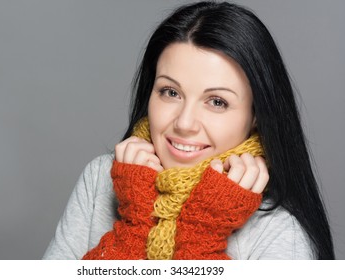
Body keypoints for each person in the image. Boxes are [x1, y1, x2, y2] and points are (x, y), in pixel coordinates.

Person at [43, 1, 335, 260]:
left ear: (257, 115)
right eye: (170, 92)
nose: (184, 123)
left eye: (217, 101)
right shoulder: (101, 180)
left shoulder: (279, 230)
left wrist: (200, 237)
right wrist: (135, 229)